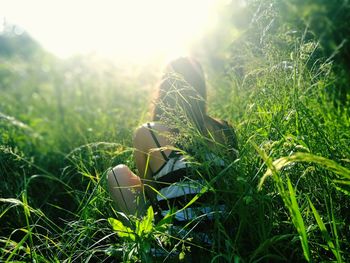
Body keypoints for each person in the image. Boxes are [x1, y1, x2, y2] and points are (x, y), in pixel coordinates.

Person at [107, 57, 238, 230]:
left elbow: (151, 192)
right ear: (200, 87)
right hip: (228, 237)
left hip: (180, 244)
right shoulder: (224, 128)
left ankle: (143, 247)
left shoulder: (149, 133)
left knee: (117, 174)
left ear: (165, 88)